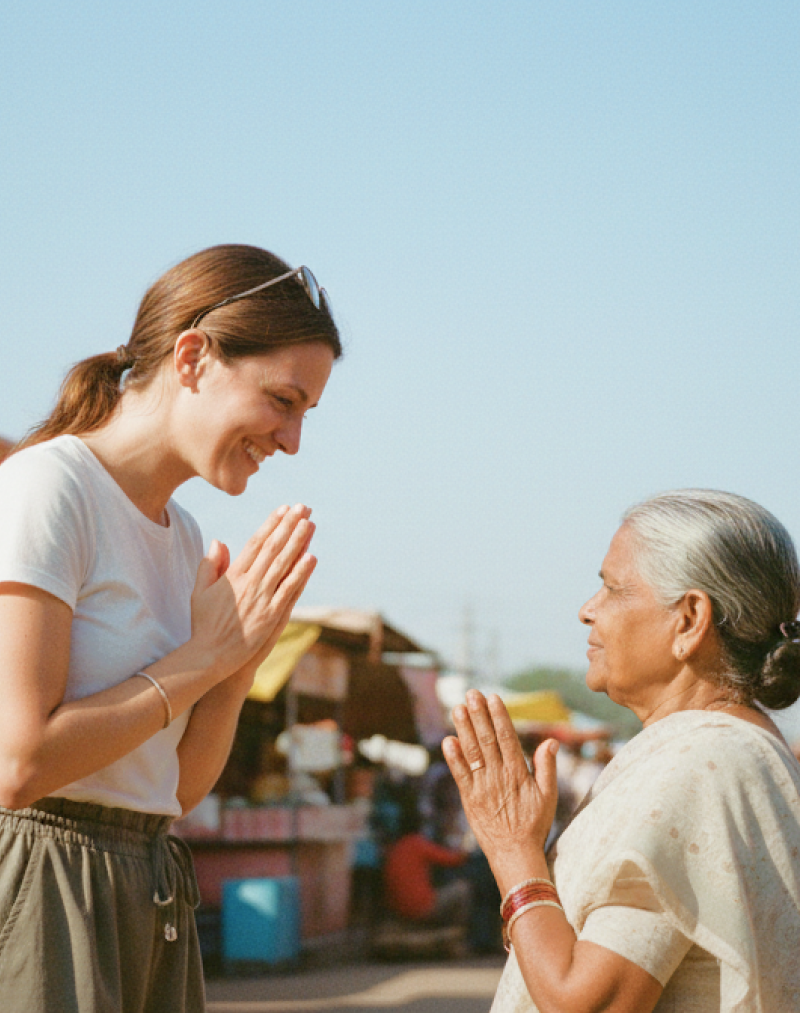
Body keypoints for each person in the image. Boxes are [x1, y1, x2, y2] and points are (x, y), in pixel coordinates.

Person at [0, 244, 341, 1012]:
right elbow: (17, 763)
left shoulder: (184, 537)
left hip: (148, 877)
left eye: (305, 414)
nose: (291, 441)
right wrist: (203, 657)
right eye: (283, 400)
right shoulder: (47, 487)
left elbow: (172, 790)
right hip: (40, 879)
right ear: (193, 357)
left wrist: (238, 664)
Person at [444, 490, 800, 1012]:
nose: (588, 610)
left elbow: (587, 1003)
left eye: (612, 588)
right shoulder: (735, 752)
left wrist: (512, 850)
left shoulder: (700, 765)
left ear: (689, 620)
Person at [383, 803, 470, 928]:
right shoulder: (417, 843)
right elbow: (455, 860)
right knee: (463, 889)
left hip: (399, 910)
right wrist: (466, 847)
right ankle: (455, 933)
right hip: (421, 908)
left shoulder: (395, 847)